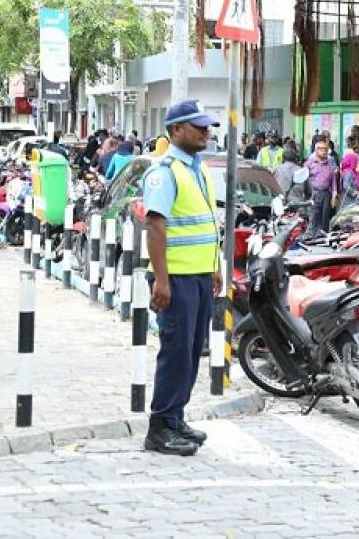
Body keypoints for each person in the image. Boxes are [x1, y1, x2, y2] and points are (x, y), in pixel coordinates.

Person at [141, 100, 222, 456]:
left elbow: (205, 222)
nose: (206, 132)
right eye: (199, 127)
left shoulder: (198, 169)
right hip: (175, 278)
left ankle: (175, 418)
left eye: (207, 127)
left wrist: (214, 265)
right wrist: (162, 280)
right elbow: (155, 226)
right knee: (175, 352)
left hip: (200, 275)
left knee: (190, 353)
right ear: (176, 130)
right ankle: (159, 427)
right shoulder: (166, 172)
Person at [305, 138, 338, 236]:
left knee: (325, 217)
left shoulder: (330, 163)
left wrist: (334, 196)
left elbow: (333, 182)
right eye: (322, 149)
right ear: (316, 150)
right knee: (313, 216)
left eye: (326, 149)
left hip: (326, 193)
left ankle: (323, 236)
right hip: (314, 193)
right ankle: (311, 235)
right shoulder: (310, 163)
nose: (324, 151)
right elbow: (303, 179)